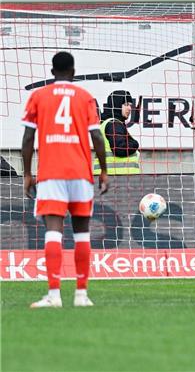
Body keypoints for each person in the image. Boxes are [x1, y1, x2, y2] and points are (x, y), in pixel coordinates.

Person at [21, 52, 109, 308]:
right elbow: (97, 137)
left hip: (51, 173)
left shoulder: (38, 96)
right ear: (73, 72)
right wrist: (103, 171)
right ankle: (81, 295)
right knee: (82, 233)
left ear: (52, 72)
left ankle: (54, 295)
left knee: (53, 231)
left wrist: (27, 173)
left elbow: (28, 138)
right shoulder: (85, 97)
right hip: (80, 173)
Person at [93, 90, 140, 175]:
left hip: (111, 176)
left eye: (130, 105)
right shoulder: (114, 124)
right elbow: (119, 148)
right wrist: (135, 144)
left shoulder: (109, 123)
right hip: (116, 177)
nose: (130, 108)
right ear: (116, 105)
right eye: (126, 105)